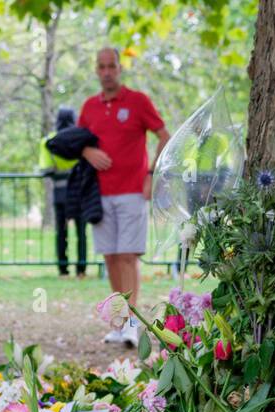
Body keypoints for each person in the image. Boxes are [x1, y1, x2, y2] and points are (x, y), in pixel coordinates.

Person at [77, 47, 170, 346]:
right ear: (96, 70)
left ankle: (132, 324)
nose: (106, 72)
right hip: (99, 195)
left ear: (120, 68)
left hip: (132, 192)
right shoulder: (89, 106)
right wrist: (86, 151)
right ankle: (119, 324)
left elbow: (164, 136)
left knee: (128, 257)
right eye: (101, 67)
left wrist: (151, 175)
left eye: (111, 66)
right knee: (111, 258)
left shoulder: (138, 101)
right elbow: (74, 142)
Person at [39, 107, 87, 278]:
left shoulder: (48, 141)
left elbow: (46, 169)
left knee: (61, 232)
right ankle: (81, 268)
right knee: (81, 233)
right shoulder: (80, 138)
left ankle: (62, 268)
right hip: (79, 191)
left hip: (60, 192)